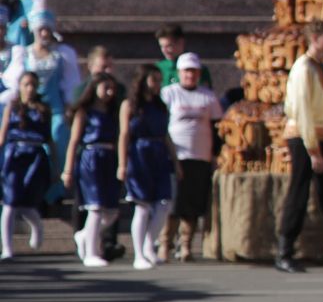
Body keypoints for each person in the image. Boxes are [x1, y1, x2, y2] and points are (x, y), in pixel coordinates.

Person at [276, 20, 323, 273]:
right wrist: (313, 150)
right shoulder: (303, 68)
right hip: (304, 136)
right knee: (299, 191)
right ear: (316, 38)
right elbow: (303, 110)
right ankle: (284, 251)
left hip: (322, 134)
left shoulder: (321, 66)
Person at [4, 11, 83, 205]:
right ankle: (30, 187)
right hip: (31, 109)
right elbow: (14, 82)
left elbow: (70, 83)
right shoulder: (25, 53)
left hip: (54, 108)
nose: (44, 34)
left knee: (57, 138)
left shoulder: (61, 54)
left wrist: (69, 106)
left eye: (47, 30)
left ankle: (54, 192)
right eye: (41, 30)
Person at [160, 53, 222, 262]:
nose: (190, 75)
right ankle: (165, 243)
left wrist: (215, 154)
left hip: (200, 155)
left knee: (193, 203)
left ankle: (186, 244)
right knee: (174, 202)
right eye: (187, 71)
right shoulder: (169, 94)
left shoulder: (208, 97)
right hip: (176, 155)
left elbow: (217, 128)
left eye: (194, 71)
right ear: (179, 72)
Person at [118, 64, 175, 270]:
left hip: (159, 154)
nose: (158, 85)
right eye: (154, 80)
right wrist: (122, 163)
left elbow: (166, 135)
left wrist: (175, 161)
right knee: (141, 206)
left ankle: (149, 243)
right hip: (138, 154)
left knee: (164, 204)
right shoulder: (130, 105)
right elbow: (124, 134)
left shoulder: (160, 106)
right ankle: (139, 254)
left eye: (160, 81)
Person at [65, 72, 123, 268]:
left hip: (109, 158)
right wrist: (68, 170)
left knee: (112, 211)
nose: (109, 92)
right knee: (95, 207)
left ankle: (84, 235)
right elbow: (74, 141)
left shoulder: (112, 112)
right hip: (91, 158)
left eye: (112, 88)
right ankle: (91, 252)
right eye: (105, 87)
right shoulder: (85, 112)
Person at [0, 70, 52, 258]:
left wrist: (55, 163)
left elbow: (49, 138)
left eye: (33, 85)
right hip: (15, 157)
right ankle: (7, 248)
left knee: (28, 201)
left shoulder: (43, 109)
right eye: (26, 84)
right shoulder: (12, 108)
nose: (29, 89)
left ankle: (37, 226)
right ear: (20, 87)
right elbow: (2, 135)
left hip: (35, 156)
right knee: (10, 202)